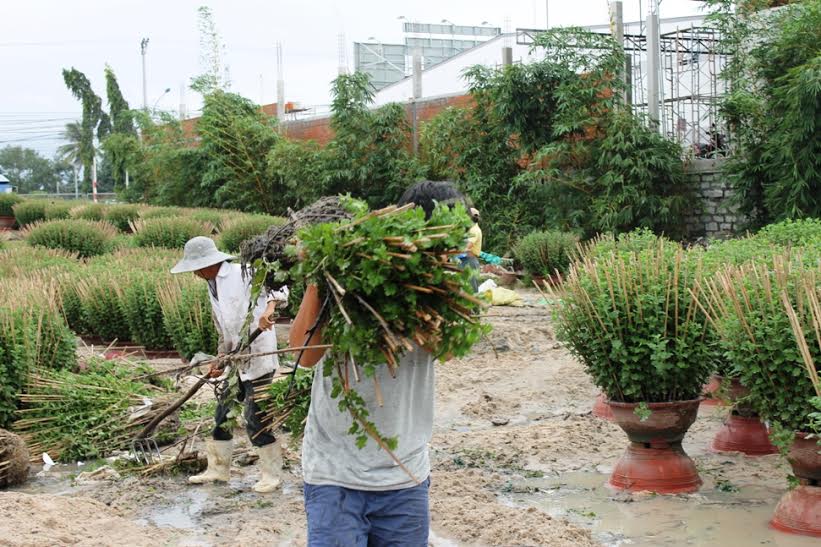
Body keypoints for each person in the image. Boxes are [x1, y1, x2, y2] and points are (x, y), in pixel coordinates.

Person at [269, 181, 466, 546]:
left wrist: (428, 297)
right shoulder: (346, 275)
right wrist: (321, 277)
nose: (457, 246)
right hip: (336, 475)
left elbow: (450, 350)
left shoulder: (441, 289)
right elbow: (303, 354)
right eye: (449, 230)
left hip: (405, 476)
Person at [171, 236, 288, 493]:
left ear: (208, 263)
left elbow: (279, 288)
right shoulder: (211, 285)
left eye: (196, 268)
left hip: (258, 355)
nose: (195, 274)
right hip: (236, 359)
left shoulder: (242, 273)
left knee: (255, 416)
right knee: (223, 414)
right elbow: (224, 330)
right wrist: (220, 360)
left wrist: (268, 311)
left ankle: (271, 475)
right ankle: (218, 470)